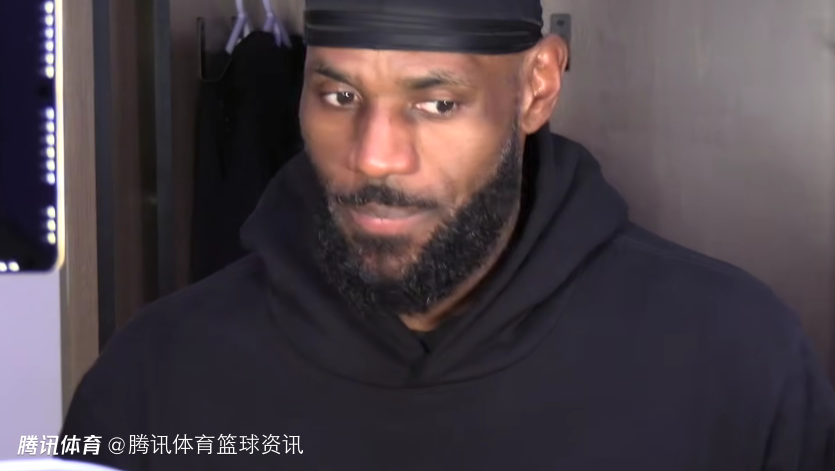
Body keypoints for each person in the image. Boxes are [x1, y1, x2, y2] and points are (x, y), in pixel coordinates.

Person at [58, 0, 835, 469]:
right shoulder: (160, 370)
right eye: (338, 96)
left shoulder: (735, 354)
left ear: (536, 88)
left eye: (436, 103)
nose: (374, 156)